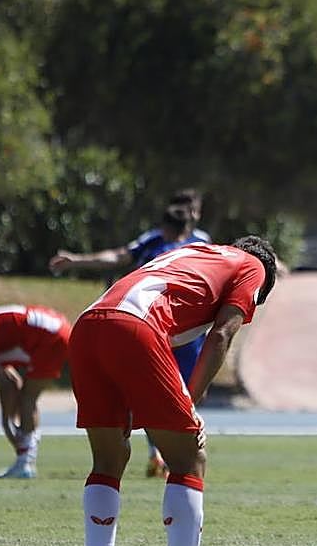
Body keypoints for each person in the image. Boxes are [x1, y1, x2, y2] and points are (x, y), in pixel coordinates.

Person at [71, 236, 277, 546]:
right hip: (135, 327)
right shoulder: (253, 266)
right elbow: (221, 334)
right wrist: (193, 399)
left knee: (108, 460)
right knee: (188, 459)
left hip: (88, 324)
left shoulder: (194, 252)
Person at [50, 193, 210, 478]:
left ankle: (174, 455)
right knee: (149, 397)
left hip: (186, 336)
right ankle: (159, 455)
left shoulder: (202, 244)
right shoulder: (152, 240)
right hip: (150, 330)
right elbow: (119, 256)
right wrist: (77, 260)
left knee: (186, 398)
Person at [0, 305, 72, 479]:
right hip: (55, 327)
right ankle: (25, 457)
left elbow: (7, 386)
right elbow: (13, 381)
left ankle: (25, 463)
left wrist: (6, 424)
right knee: (26, 396)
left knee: (28, 397)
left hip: (50, 337)